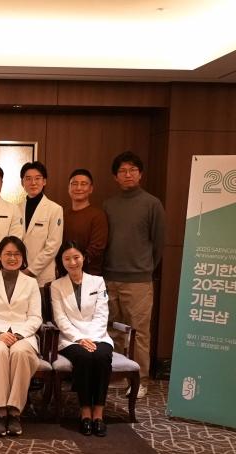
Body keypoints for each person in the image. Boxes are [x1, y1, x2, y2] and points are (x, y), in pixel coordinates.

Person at [103, 151, 165, 398]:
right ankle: (118, 375)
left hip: (139, 280)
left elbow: (158, 244)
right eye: (122, 171)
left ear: (140, 174)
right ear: (115, 176)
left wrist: (144, 268)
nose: (127, 174)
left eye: (132, 170)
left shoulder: (152, 204)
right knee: (113, 329)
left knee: (139, 333)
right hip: (109, 277)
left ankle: (141, 380)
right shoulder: (109, 204)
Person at [0, 236, 42, 437]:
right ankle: (0, 411)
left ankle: (14, 411)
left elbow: (35, 317)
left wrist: (19, 335)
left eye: (17, 254)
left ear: (23, 257)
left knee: (20, 353)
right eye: (8, 254)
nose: (12, 258)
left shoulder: (31, 283)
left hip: (23, 335)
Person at [50, 241, 114, 437]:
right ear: (62, 261)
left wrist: (92, 338)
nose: (72, 262)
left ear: (83, 258)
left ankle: (99, 413)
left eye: (76, 257)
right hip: (70, 338)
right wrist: (79, 338)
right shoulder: (56, 285)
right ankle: (85, 412)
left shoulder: (98, 282)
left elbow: (102, 313)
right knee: (84, 357)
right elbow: (60, 318)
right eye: (67, 259)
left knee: (102, 356)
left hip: (98, 335)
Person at [18, 161, 63, 286]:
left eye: (37, 178)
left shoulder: (55, 209)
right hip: (18, 272)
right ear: (22, 182)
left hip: (43, 275)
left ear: (44, 181)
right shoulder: (16, 209)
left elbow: (53, 245)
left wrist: (31, 270)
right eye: (28, 179)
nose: (33, 183)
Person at [63, 168, 107, 276]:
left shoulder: (98, 215)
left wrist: (74, 264)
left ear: (91, 189)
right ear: (69, 188)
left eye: (83, 184)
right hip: (64, 275)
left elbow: (97, 248)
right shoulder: (62, 214)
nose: (78, 188)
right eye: (74, 184)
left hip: (90, 275)